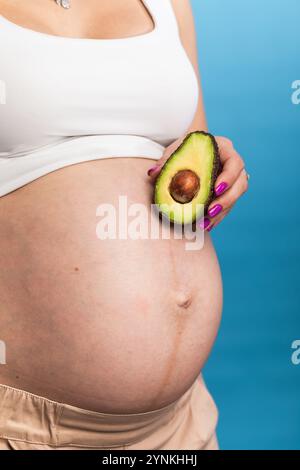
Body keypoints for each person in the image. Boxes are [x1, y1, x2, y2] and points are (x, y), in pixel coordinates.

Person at [0, 0, 248, 450]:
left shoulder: (169, 5)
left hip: (180, 425)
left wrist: (216, 161)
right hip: (24, 429)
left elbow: (191, 148)